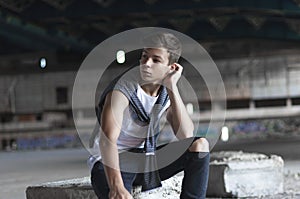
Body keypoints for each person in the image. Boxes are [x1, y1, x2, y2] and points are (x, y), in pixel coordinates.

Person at [88, 32, 210, 199]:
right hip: (111, 162)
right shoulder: (122, 89)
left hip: (145, 159)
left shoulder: (166, 92)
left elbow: (186, 135)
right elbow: (107, 140)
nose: (146, 63)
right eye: (144, 56)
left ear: (171, 67)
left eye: (156, 60)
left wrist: (172, 87)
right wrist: (117, 187)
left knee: (200, 145)